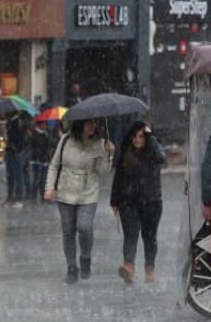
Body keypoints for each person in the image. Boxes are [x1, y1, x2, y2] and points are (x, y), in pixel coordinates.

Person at [44, 119, 115, 284]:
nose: (92, 127)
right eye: (89, 123)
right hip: (65, 190)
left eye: (94, 124)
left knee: (84, 226)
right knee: (68, 231)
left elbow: (103, 172)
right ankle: (71, 267)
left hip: (88, 193)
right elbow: (54, 165)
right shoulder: (66, 140)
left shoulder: (100, 144)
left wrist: (109, 154)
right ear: (80, 124)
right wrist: (49, 187)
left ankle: (85, 257)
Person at [110, 121, 166, 285]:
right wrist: (114, 201)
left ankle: (150, 271)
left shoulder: (153, 152)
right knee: (131, 235)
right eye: (135, 136)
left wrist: (150, 136)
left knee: (149, 237)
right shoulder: (126, 153)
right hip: (128, 202)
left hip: (152, 202)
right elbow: (118, 177)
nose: (137, 140)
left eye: (141, 136)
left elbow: (161, 157)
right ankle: (128, 267)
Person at [28, 120, 58, 202]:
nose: (45, 126)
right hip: (37, 159)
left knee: (44, 179)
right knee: (37, 179)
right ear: (40, 125)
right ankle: (33, 196)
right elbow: (36, 146)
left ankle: (43, 196)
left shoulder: (46, 134)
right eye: (44, 124)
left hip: (44, 159)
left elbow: (50, 144)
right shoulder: (35, 134)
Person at [5, 113, 27, 209]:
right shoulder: (10, 122)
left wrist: (15, 146)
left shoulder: (18, 122)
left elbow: (20, 138)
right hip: (10, 151)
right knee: (10, 176)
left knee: (18, 176)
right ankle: (10, 197)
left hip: (16, 152)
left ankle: (19, 199)